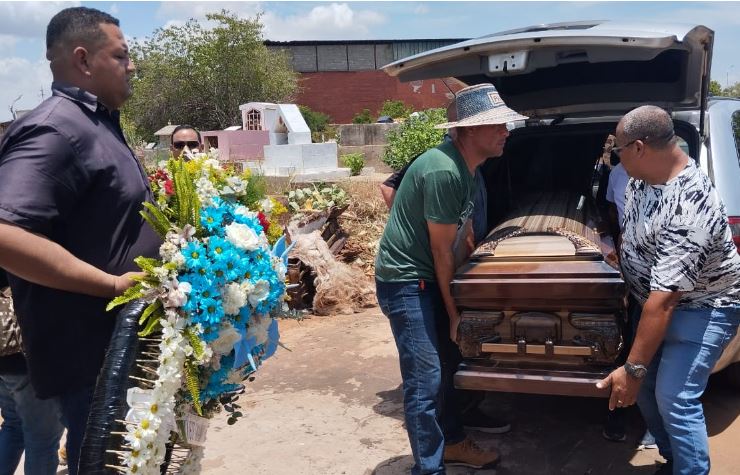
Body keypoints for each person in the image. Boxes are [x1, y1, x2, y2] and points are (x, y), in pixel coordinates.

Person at [0, 7, 161, 474]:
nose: (132, 66)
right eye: (122, 55)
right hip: (93, 362)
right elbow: (6, 234)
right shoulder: (56, 129)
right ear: (83, 60)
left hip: (117, 352)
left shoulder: (95, 124)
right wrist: (111, 286)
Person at [375, 83, 527, 474]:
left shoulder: (465, 168)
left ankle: (454, 442)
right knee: (424, 380)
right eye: (496, 125)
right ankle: (428, 468)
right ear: (469, 130)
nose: (506, 132)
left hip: (425, 276)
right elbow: (442, 252)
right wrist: (456, 310)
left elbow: (463, 238)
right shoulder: (443, 170)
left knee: (446, 364)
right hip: (408, 282)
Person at [596, 105, 740, 475]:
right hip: (655, 302)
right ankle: (673, 459)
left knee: (674, 396)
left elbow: (665, 301)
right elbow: (636, 229)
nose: (615, 157)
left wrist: (632, 367)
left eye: (619, 149)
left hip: (704, 307)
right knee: (645, 391)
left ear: (640, 147)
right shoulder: (643, 180)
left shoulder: (690, 206)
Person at [0, 270, 64, 475]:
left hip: (5, 352)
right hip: (25, 353)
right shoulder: (16, 239)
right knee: (43, 438)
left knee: (13, 424)